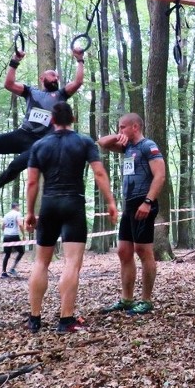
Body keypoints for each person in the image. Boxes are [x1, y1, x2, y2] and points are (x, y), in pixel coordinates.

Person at [25, 103, 118, 333]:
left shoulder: (39, 145)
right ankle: (65, 320)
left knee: (40, 262)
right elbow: (98, 172)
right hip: (73, 204)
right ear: (73, 118)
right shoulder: (84, 141)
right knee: (72, 263)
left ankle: (34, 318)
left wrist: (29, 212)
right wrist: (111, 202)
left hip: (49, 205)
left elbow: (33, 182)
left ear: (52, 120)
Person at [0, 48, 85, 204]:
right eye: (53, 74)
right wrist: (15, 60)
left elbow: (78, 82)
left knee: (14, 166)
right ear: (42, 78)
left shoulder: (61, 95)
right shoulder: (30, 92)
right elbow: (8, 84)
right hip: (22, 135)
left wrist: (80, 59)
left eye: (57, 76)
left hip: (39, 143)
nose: (56, 77)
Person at [98, 113, 166, 316]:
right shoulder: (127, 147)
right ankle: (127, 299)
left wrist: (148, 202)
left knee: (143, 251)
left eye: (122, 127)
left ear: (135, 127)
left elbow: (160, 175)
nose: (120, 131)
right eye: (118, 128)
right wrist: (118, 136)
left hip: (144, 202)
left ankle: (146, 300)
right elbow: (102, 143)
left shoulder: (148, 146)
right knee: (124, 252)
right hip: (128, 204)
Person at [0, 202, 25, 278]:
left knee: (7, 254)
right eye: (18, 206)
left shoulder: (6, 215)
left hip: (6, 236)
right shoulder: (17, 214)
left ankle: (3, 272)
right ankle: (12, 268)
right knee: (21, 251)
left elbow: (3, 226)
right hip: (14, 236)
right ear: (16, 207)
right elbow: (20, 224)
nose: (19, 208)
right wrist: (23, 234)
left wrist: (6, 231)